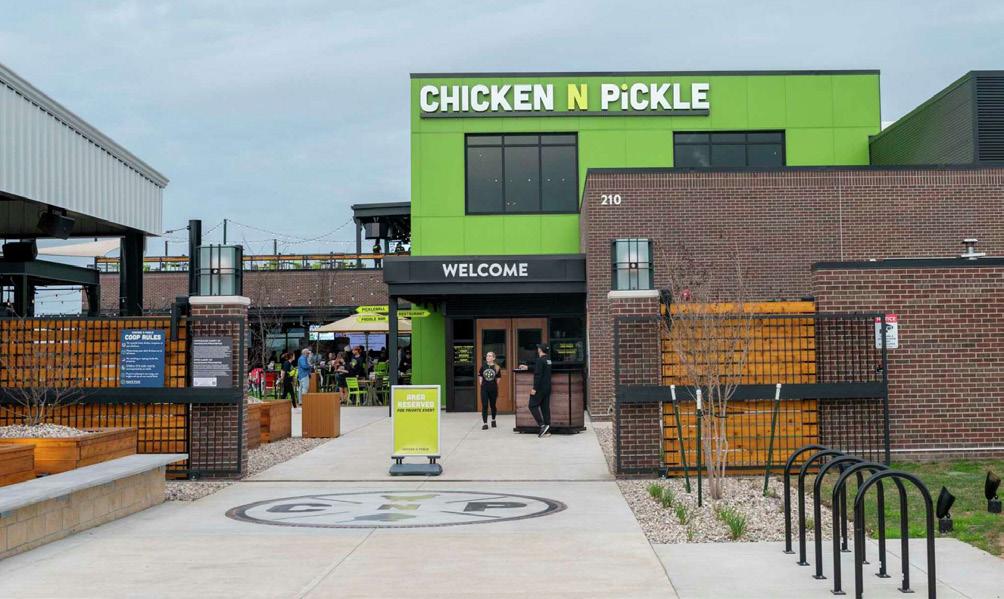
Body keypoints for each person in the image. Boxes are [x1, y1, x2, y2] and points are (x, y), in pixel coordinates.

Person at [528, 344, 552, 437]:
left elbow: (538, 375)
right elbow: (541, 368)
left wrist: (534, 388)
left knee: (532, 405)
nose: (537, 349)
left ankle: (542, 425)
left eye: (538, 348)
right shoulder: (548, 360)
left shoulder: (539, 360)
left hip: (540, 388)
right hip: (547, 388)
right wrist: (527, 367)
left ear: (540, 350)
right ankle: (547, 430)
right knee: (545, 408)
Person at [478, 351, 501, 430]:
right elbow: (480, 375)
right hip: (484, 389)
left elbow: (498, 378)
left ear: (493, 358)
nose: (488, 357)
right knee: (484, 405)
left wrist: (494, 385)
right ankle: (485, 423)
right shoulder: (483, 366)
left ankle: (493, 420)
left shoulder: (497, 367)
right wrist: (481, 383)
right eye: (487, 356)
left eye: (490, 356)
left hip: (493, 389)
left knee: (492, 405)